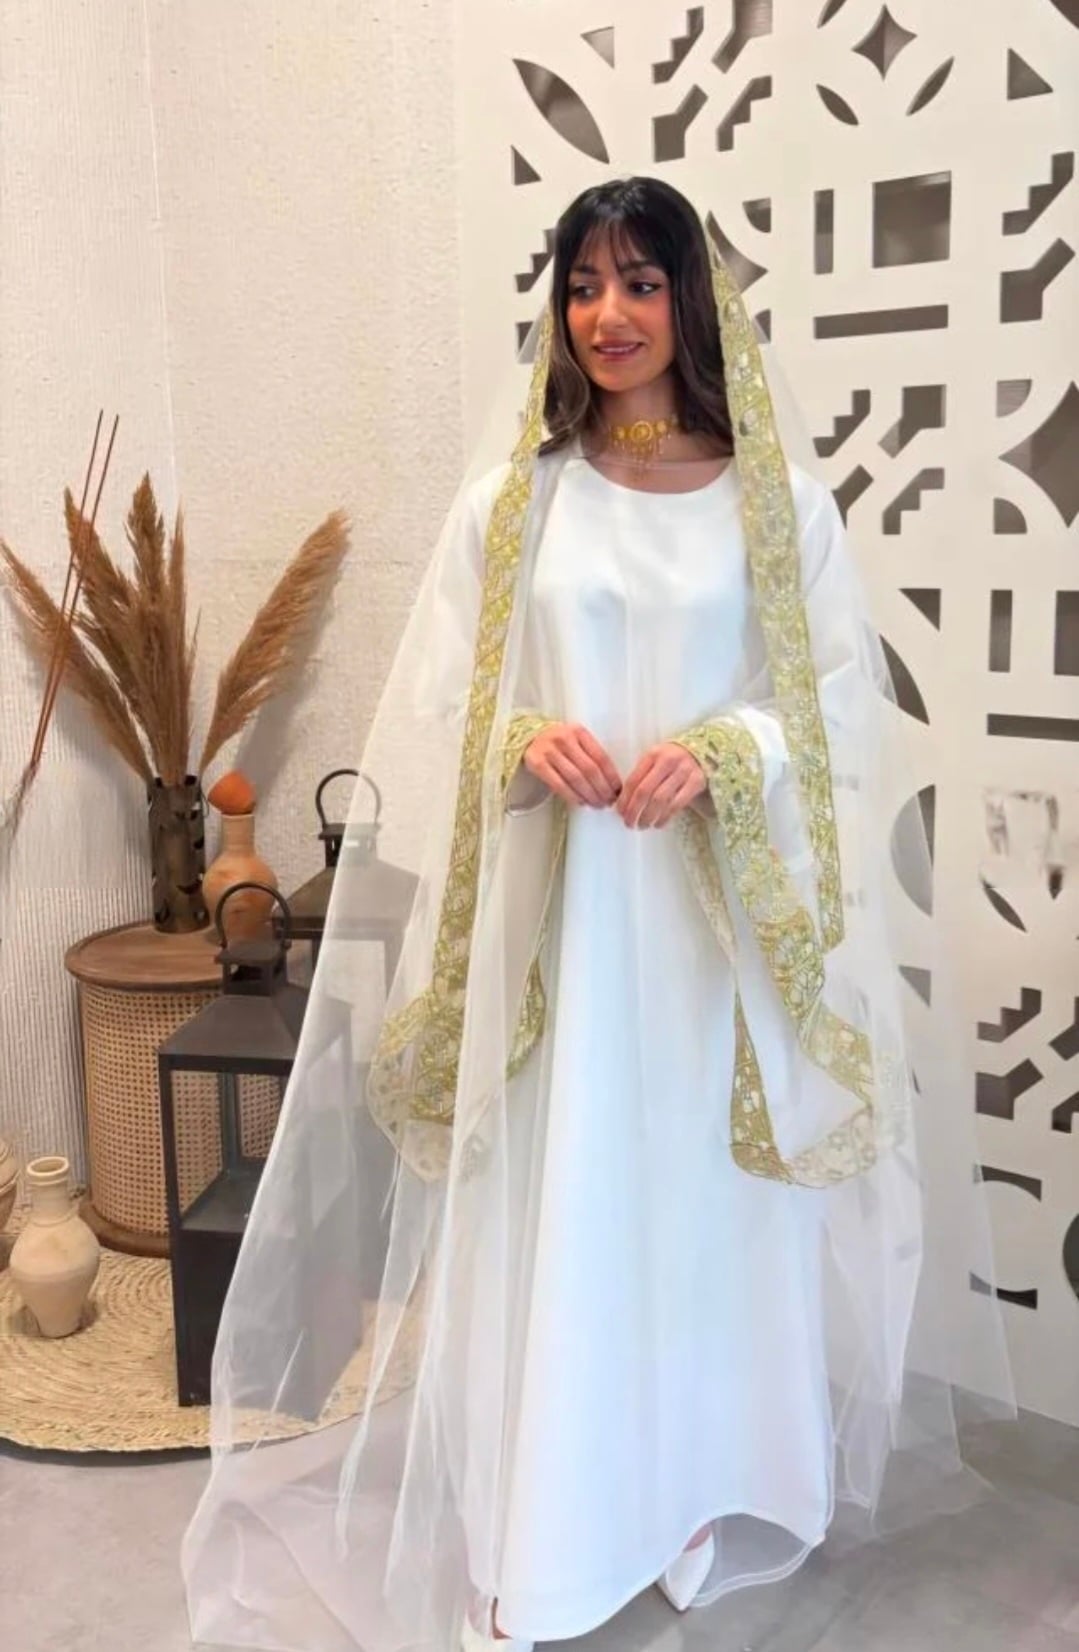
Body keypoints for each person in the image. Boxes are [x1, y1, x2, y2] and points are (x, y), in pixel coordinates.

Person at [182, 177, 1012, 1652]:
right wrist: (523, 742)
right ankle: (548, 1535)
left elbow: (837, 706)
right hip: (563, 938)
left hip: (712, 939)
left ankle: (688, 1489)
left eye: (639, 281)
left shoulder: (780, 509)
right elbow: (438, 702)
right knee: (569, 1211)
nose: (608, 315)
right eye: (582, 285)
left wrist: (728, 750)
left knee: (699, 1219)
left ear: (695, 299)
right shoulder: (519, 505)